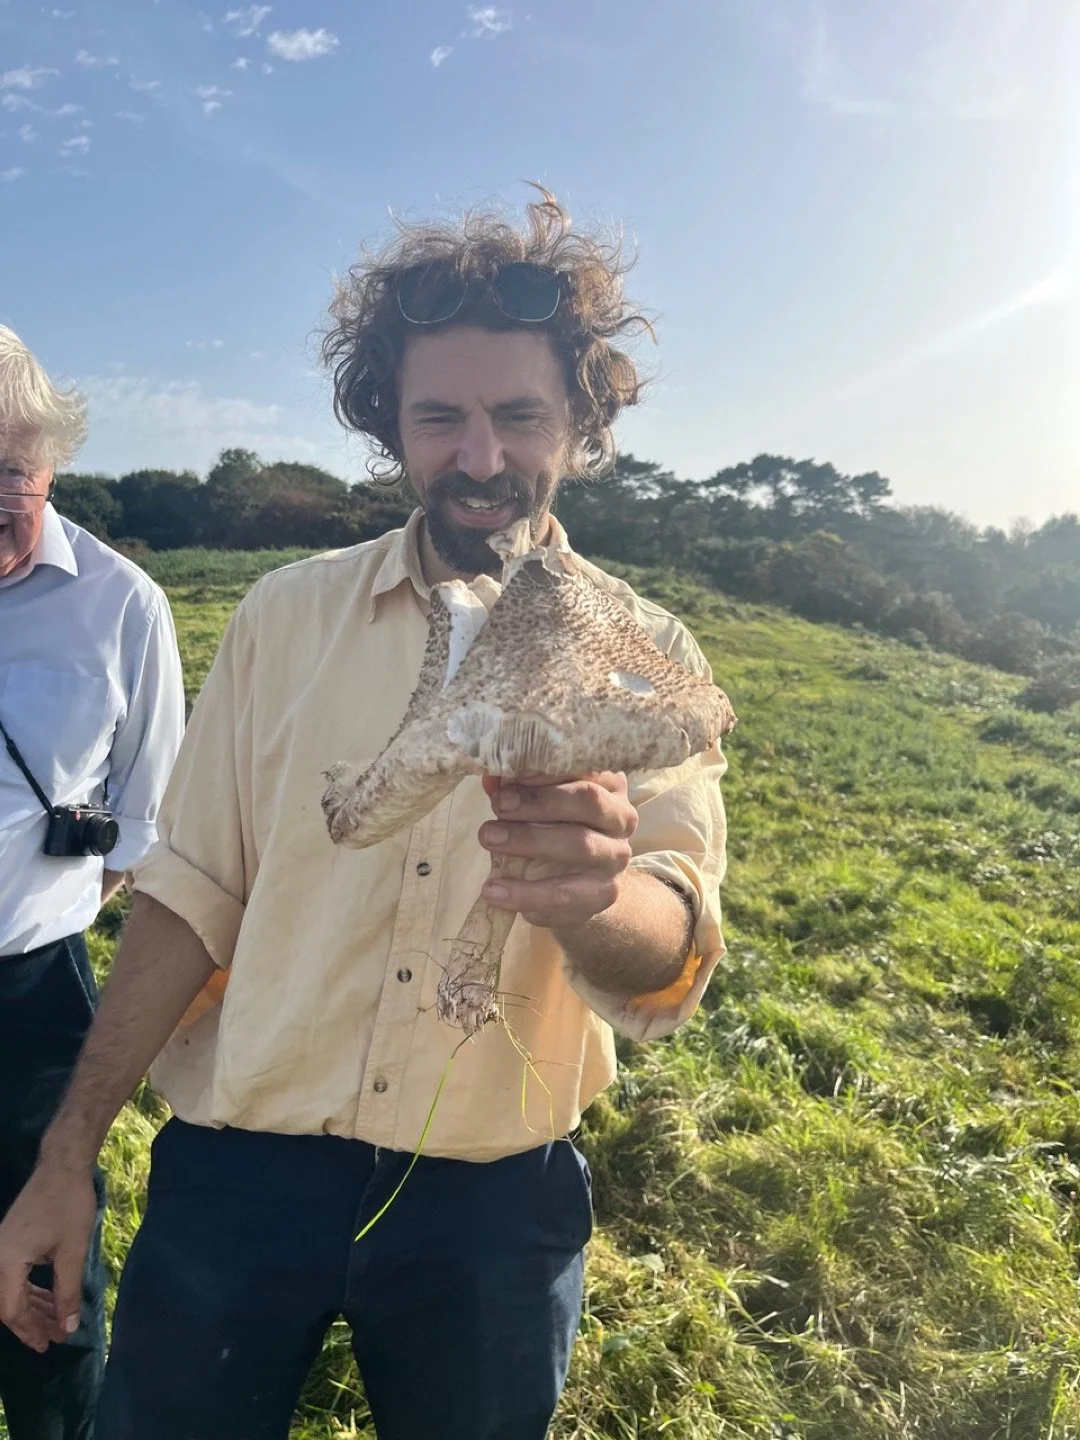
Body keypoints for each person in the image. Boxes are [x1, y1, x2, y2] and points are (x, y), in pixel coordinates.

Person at [0, 191, 730, 1440]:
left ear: (583, 427)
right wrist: (68, 1152)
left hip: (494, 1205)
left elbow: (676, 949)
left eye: (519, 416)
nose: (481, 456)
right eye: (440, 417)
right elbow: (190, 890)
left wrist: (602, 895)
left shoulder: (647, 659)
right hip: (241, 1172)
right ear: (388, 424)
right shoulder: (285, 618)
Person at [0, 326, 185, 1440]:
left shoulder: (123, 607)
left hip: (32, 997)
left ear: (49, 457)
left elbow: (145, 831)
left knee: (45, 1269)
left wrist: (35, 913)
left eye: (1, 479)